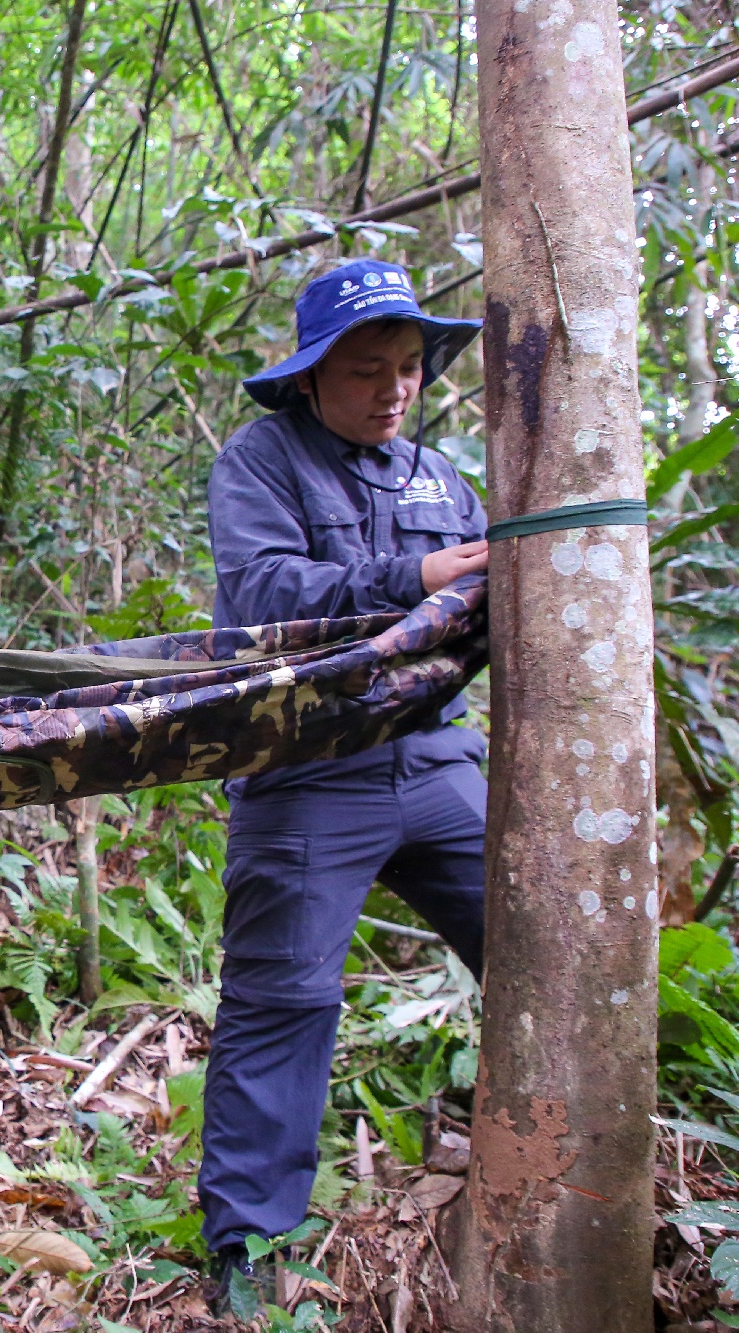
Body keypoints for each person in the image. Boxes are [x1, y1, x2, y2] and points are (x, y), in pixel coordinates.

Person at [199, 259, 488, 1308]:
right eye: (367, 368)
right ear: (312, 374)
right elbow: (265, 594)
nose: (392, 389)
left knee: (548, 949)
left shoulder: (440, 477)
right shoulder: (259, 462)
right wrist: (412, 578)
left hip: (439, 759)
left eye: (409, 368)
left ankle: (552, 1178)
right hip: (308, 768)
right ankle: (247, 1252)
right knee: (282, 998)